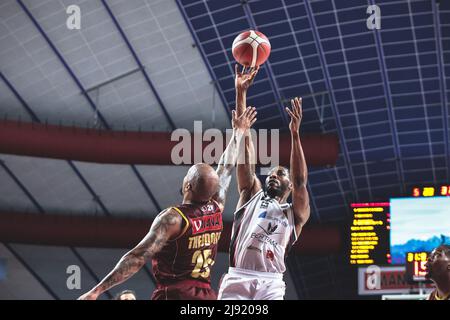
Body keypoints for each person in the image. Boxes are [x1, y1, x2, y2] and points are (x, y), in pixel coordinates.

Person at [78, 107, 257, 300]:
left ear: (187, 184)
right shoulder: (216, 208)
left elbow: (137, 257)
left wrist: (96, 290)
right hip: (205, 295)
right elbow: (226, 167)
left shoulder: (174, 218)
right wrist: (238, 132)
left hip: (174, 294)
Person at [217, 65, 310, 300]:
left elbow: (300, 182)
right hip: (238, 275)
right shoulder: (252, 194)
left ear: (288, 186)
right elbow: (245, 153)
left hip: (271, 283)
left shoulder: (295, 215)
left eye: (280, 173)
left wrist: (295, 134)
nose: (272, 175)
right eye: (270, 173)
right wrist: (241, 93)